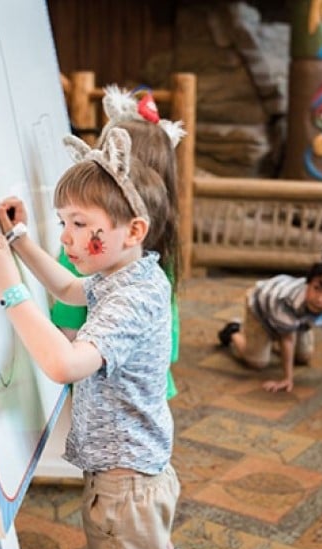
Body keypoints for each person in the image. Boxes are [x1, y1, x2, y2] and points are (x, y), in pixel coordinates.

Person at [0, 129, 179, 549]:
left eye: (81, 224)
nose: (67, 237)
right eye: (63, 221)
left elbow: (64, 364)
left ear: (134, 231)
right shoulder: (128, 273)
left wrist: (10, 291)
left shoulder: (133, 299)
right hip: (128, 473)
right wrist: (21, 241)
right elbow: (69, 288)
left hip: (126, 486)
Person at [51, 85, 186, 401]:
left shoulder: (85, 249)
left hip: (108, 403)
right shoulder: (157, 256)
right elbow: (171, 348)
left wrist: (14, 296)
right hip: (150, 394)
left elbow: (67, 338)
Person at [216, 243, 322, 393]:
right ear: (308, 282)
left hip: (298, 319)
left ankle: (274, 336)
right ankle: (233, 330)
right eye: (316, 289)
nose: (319, 298)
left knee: (303, 357)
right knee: (257, 362)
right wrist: (287, 378)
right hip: (261, 307)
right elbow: (288, 339)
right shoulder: (289, 301)